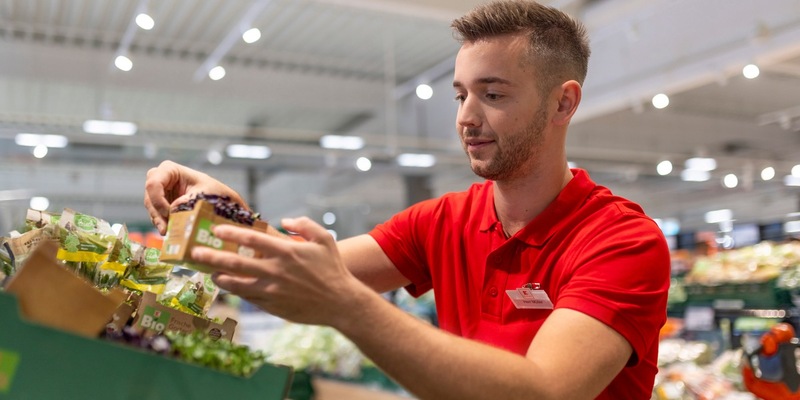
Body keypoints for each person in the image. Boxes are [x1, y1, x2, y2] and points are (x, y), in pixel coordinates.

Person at [144, 1, 670, 398]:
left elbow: (545, 390)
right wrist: (214, 210)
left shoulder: (622, 241)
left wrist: (350, 309)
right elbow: (285, 269)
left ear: (563, 102)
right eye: (461, 94)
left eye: (493, 94)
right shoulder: (444, 221)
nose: (466, 117)